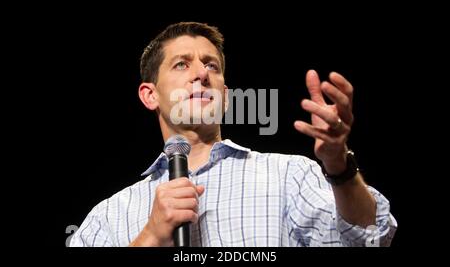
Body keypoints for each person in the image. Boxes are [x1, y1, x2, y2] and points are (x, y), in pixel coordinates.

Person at [70, 22, 397, 247]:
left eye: (211, 65)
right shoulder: (110, 215)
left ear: (225, 95)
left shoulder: (287, 176)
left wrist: (339, 165)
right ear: (149, 95)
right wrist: (151, 237)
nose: (201, 73)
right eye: (182, 64)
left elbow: (371, 237)